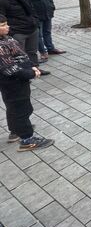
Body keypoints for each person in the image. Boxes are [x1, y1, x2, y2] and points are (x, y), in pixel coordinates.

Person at [0, 14, 54, 151]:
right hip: (12, 83)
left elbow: (21, 54)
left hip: (19, 80)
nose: (7, 27)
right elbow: (9, 68)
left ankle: (16, 130)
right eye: (2, 25)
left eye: (6, 23)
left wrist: (31, 65)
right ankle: (27, 139)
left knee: (16, 107)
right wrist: (31, 73)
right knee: (21, 109)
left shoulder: (6, 38)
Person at [0, 0, 49, 75]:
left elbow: (32, 9)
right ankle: (24, 73)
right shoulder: (2, 0)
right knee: (19, 54)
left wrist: (35, 21)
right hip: (18, 32)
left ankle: (36, 69)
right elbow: (2, 18)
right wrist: (11, 31)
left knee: (32, 52)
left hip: (32, 29)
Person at [20, 0, 65, 64]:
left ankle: (50, 48)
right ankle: (43, 52)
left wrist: (52, 7)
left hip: (47, 13)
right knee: (38, 36)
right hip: (36, 17)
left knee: (47, 32)